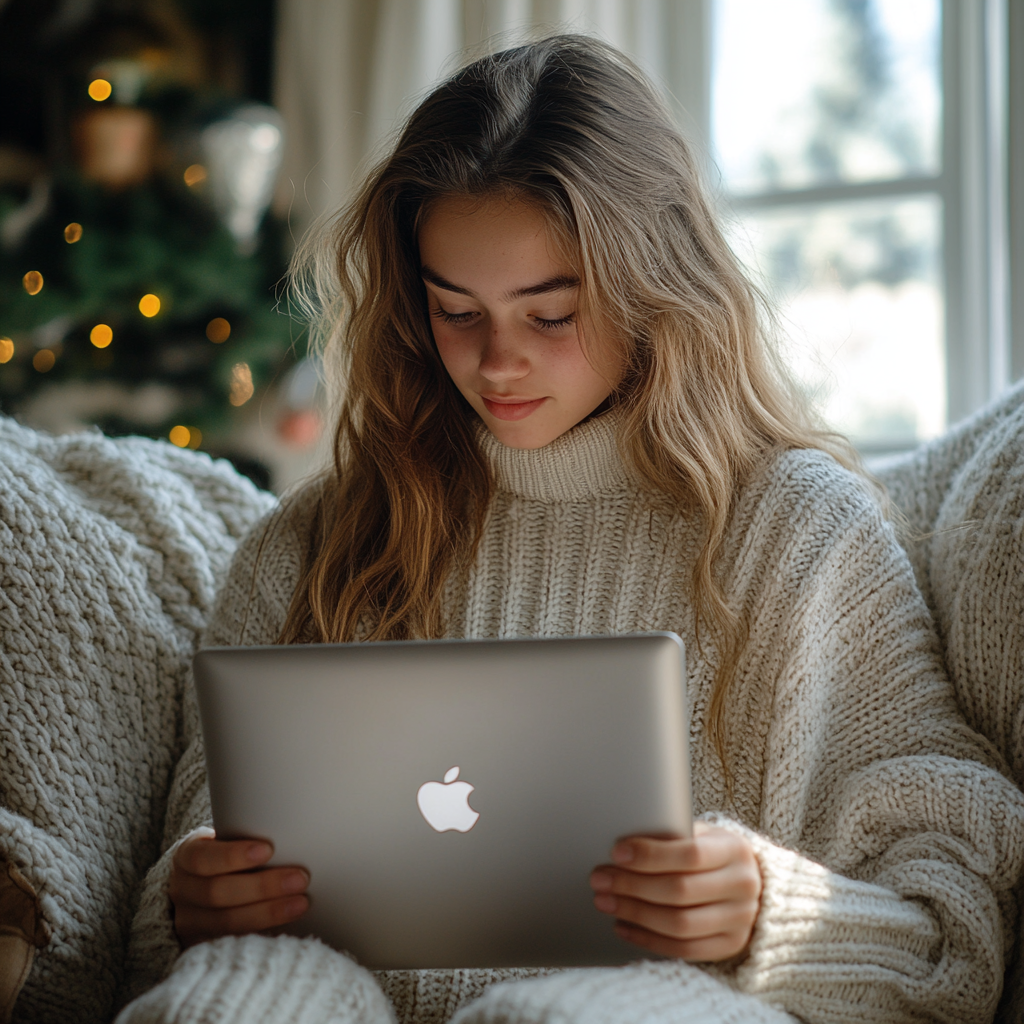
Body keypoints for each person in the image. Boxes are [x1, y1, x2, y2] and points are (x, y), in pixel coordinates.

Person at [120, 35, 1024, 1024]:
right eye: (455, 311)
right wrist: (193, 896)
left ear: (652, 289)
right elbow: (195, 852)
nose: (497, 363)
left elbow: (950, 923)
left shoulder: (796, 530)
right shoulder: (316, 539)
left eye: (550, 315)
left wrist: (768, 912)